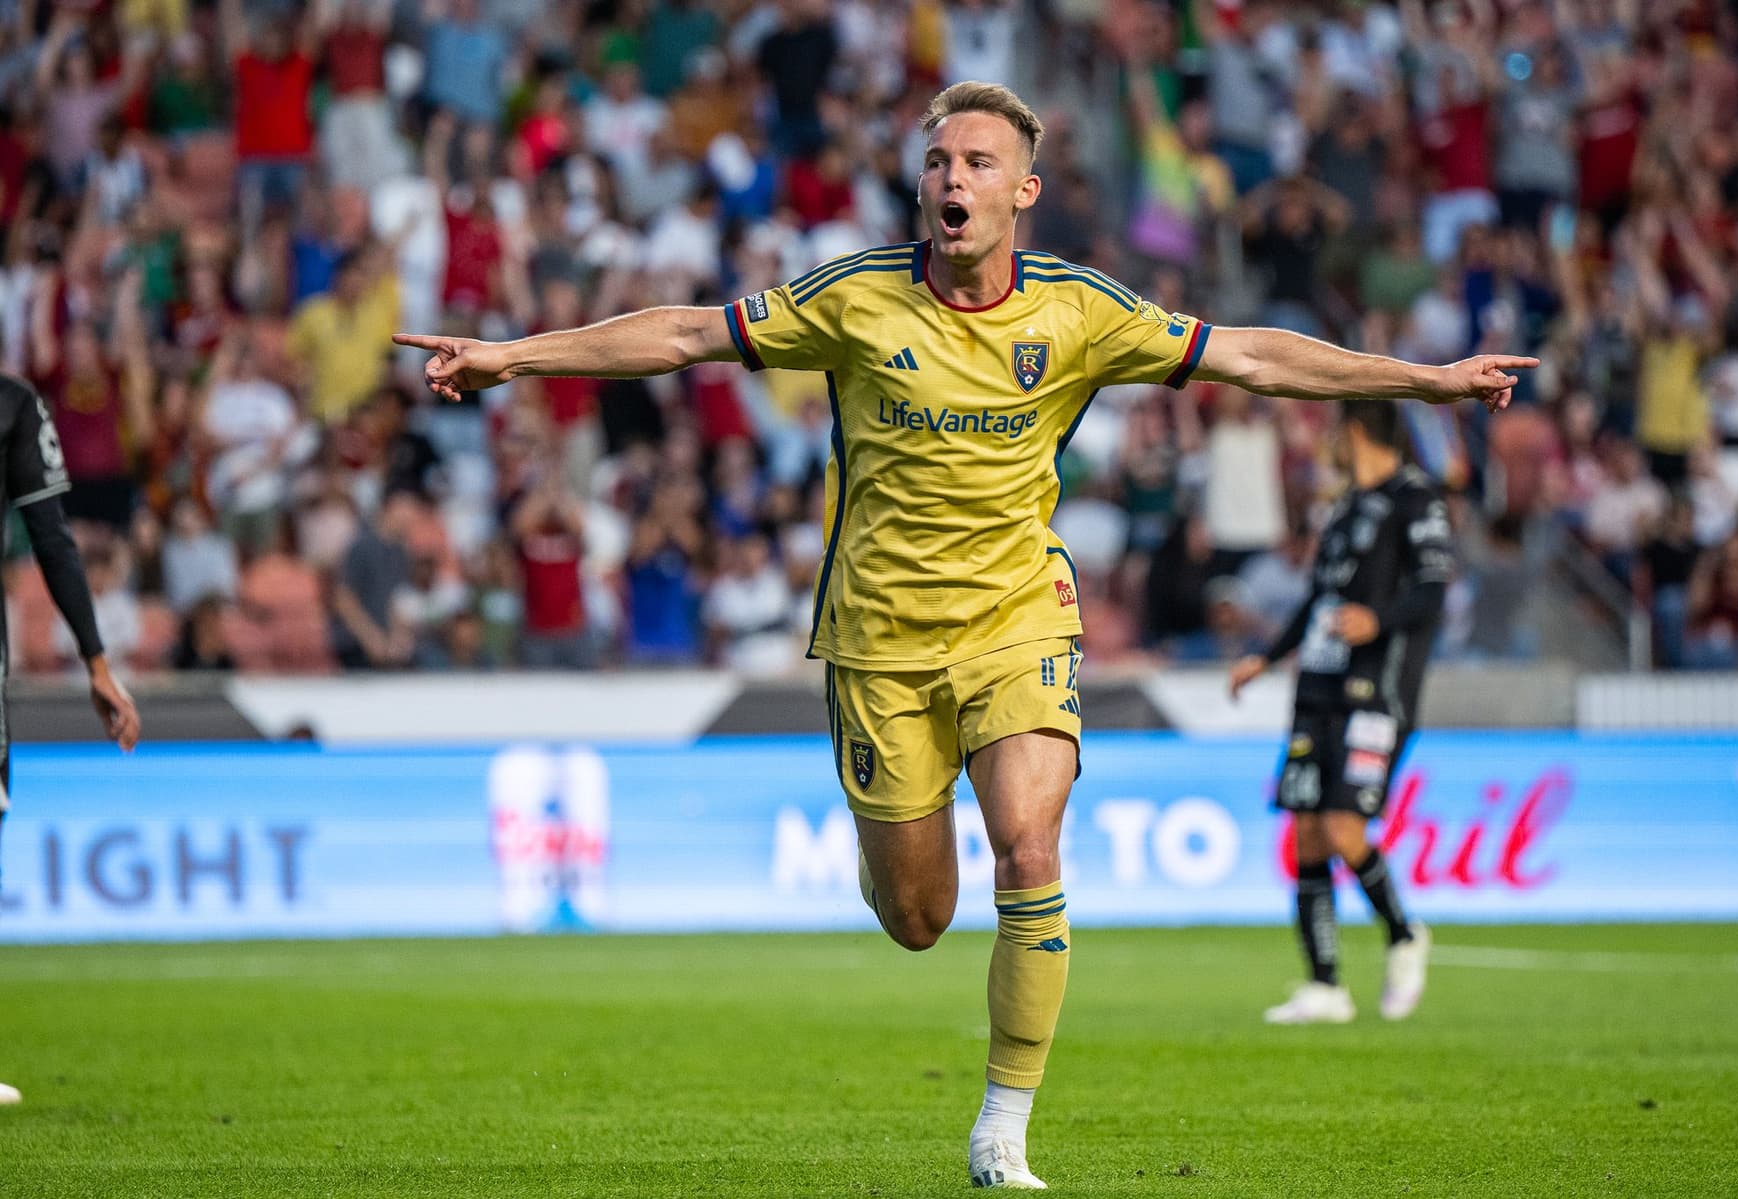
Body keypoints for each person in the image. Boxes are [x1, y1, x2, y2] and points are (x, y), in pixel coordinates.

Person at [395, 81, 1531, 1190]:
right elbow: (690, 332)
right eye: (938, 161)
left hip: (1017, 618)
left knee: (1030, 851)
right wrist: (514, 355)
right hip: (879, 642)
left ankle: (1005, 1124)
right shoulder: (854, 299)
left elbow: (1252, 354)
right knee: (918, 916)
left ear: (1022, 190)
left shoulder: (1080, 312)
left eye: (977, 162)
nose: (952, 177)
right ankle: (890, 838)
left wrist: (1422, 382)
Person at [1227, 399, 1452, 1026]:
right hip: (1316, 691)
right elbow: (1317, 600)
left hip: (1374, 693)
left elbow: (1434, 590)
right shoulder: (1345, 508)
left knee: (1342, 829)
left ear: (1355, 432)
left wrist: (1378, 619)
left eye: (1334, 433)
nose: (1329, 443)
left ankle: (1405, 934)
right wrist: (1267, 658)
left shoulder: (1417, 502)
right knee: (1304, 833)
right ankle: (1325, 986)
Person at [0, 371, 142, 1105]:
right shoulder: (15, 404)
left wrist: (95, 659)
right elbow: (51, 537)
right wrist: (96, 662)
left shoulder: (16, 406)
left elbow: (52, 538)